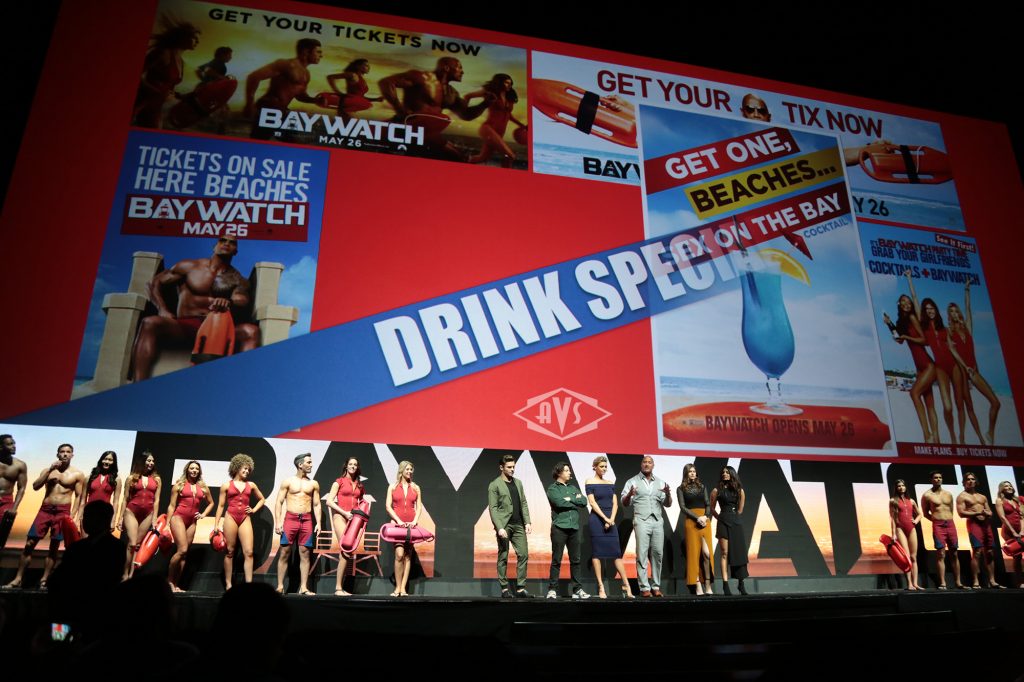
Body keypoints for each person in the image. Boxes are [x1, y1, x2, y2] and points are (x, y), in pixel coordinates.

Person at [132, 236, 260, 381]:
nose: (227, 244)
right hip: (185, 325)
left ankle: (243, 385)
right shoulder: (189, 266)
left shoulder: (237, 278)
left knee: (251, 331)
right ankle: (138, 384)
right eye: (222, 240)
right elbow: (153, 283)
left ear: (236, 251)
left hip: (218, 328)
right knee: (150, 323)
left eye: (232, 243)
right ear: (214, 246)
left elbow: (241, 299)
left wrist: (228, 301)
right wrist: (162, 308)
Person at [4, 443, 85, 589]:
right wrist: (49, 471)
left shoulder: (77, 474)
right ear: (57, 454)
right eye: (62, 451)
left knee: (54, 546)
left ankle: (44, 579)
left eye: (68, 452)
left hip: (63, 511)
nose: (65, 454)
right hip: (45, 510)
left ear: (72, 455)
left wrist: (72, 515)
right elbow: (35, 486)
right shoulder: (48, 471)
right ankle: (18, 578)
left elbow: (79, 497)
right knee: (29, 544)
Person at [378, 57, 490, 161]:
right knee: (458, 157)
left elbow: (466, 115)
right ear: (446, 68)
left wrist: (485, 103)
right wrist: (399, 109)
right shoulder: (421, 77)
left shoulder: (451, 93)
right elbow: (386, 82)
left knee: (459, 157)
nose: (462, 72)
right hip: (406, 128)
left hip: (426, 133)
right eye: (459, 67)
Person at [906, 270, 962, 442]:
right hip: (938, 367)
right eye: (927, 309)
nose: (930, 311)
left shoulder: (944, 328)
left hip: (953, 364)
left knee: (959, 402)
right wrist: (909, 279)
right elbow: (915, 299)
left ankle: (955, 439)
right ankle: (949, 434)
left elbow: (954, 345)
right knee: (947, 406)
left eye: (932, 308)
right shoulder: (924, 327)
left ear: (936, 310)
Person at [884, 283, 939, 443]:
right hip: (919, 367)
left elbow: (924, 340)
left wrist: (907, 337)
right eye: (904, 302)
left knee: (914, 394)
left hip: (928, 365)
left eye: (909, 302)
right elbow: (899, 340)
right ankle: (936, 440)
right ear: (899, 305)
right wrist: (889, 324)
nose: (907, 304)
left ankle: (927, 435)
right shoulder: (902, 321)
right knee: (929, 403)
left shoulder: (913, 318)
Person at [947, 280, 1001, 445]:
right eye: (951, 312)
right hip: (964, 371)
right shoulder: (949, 332)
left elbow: (968, 308)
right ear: (949, 315)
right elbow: (953, 351)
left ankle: (990, 432)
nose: (955, 314)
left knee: (996, 403)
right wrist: (965, 367)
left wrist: (967, 290)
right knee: (965, 405)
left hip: (974, 371)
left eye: (956, 311)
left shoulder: (968, 328)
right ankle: (966, 437)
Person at [244, 38, 323, 138]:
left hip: (282, 112)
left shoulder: (306, 73)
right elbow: (254, 77)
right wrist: (249, 104)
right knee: (259, 141)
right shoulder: (285, 64)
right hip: (269, 109)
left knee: (294, 141)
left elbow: (300, 95)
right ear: (306, 51)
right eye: (318, 52)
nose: (321, 55)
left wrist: (315, 100)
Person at [132, 16, 200, 128]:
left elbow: (168, 87)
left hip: (158, 107)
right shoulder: (163, 53)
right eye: (194, 38)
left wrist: (179, 95)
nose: (197, 41)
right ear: (183, 37)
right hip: (144, 103)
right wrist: (153, 90)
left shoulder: (181, 61)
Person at [213, 453, 266, 589]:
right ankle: (229, 584)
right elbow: (220, 506)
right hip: (230, 517)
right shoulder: (226, 485)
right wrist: (216, 524)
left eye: (249, 469)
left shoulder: (251, 485)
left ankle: (249, 585)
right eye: (245, 468)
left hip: (245, 518)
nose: (247, 471)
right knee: (230, 551)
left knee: (248, 552)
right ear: (236, 467)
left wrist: (253, 510)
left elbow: (262, 499)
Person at [621, 455, 671, 597]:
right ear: (641, 465)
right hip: (641, 520)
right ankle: (644, 587)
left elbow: (668, 504)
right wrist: (629, 495)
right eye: (645, 462)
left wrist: (668, 495)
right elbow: (624, 502)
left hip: (657, 521)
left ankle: (655, 586)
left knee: (658, 554)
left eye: (649, 462)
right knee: (642, 554)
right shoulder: (632, 481)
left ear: (653, 465)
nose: (647, 464)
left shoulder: (661, 482)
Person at [587, 456, 633, 599]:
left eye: (606, 467)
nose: (604, 469)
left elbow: (615, 504)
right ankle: (601, 587)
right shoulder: (589, 481)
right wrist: (605, 519)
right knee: (597, 554)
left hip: (610, 520)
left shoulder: (609, 483)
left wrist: (611, 519)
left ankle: (626, 585)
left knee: (616, 554)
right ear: (595, 467)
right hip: (597, 519)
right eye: (601, 466)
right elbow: (592, 503)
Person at [274, 453, 320, 595]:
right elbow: (279, 502)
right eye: (308, 462)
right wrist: (278, 522)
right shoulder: (288, 482)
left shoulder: (313, 483)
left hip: (307, 520)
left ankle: (304, 587)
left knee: (305, 553)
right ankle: (280, 586)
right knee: (285, 552)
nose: (311, 465)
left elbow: (317, 504)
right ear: (300, 465)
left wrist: (318, 522)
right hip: (290, 519)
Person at [487, 454, 532, 598]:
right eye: (509, 467)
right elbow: (493, 508)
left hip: (518, 524)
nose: (512, 469)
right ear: (501, 467)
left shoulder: (518, 483)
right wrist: (499, 527)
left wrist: (527, 522)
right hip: (504, 525)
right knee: (503, 555)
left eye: (513, 467)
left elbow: (523, 502)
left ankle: (520, 588)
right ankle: (504, 588)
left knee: (523, 554)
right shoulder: (494, 485)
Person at [166, 460, 214, 592]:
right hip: (178, 518)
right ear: (187, 470)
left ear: (199, 471)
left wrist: (203, 514)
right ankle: (169, 582)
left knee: (184, 554)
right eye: (192, 468)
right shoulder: (179, 485)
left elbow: (211, 503)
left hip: (192, 521)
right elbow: (171, 506)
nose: (194, 471)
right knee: (182, 550)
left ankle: (176, 585)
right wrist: (167, 524)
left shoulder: (203, 487)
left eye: (196, 469)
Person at [545, 462, 589, 599]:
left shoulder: (573, 487)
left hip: (574, 527)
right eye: (567, 470)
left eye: (569, 470)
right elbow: (559, 503)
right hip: (559, 527)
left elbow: (584, 501)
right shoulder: (553, 488)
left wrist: (570, 498)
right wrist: (574, 500)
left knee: (576, 560)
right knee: (556, 560)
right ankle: (552, 589)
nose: (570, 473)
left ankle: (577, 590)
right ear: (559, 473)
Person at [464, 73, 526, 167]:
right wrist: (466, 113)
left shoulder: (509, 96)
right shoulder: (490, 92)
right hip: (488, 129)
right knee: (510, 156)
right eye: (506, 83)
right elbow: (468, 96)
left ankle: (462, 163)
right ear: (499, 82)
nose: (509, 85)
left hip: (500, 132)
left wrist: (522, 125)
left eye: (510, 83)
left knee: (482, 158)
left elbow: (508, 115)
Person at [326, 456, 365, 596]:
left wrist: (361, 517)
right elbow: (329, 501)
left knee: (347, 554)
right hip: (340, 516)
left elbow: (362, 502)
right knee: (346, 548)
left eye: (355, 464)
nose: (353, 466)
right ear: (346, 466)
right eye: (351, 464)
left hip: (353, 520)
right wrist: (344, 513)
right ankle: (338, 588)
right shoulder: (339, 482)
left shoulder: (360, 485)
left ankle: (340, 588)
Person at [957, 472, 1000, 589]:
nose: (970, 481)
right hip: (974, 524)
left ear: (976, 481)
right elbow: (961, 513)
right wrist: (977, 513)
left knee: (990, 552)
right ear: (964, 482)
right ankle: (976, 581)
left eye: (972, 479)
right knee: (977, 552)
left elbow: (990, 512)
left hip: (986, 525)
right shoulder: (962, 496)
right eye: (968, 479)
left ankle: (992, 580)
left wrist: (987, 513)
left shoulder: (982, 497)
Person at [385, 460, 422, 597]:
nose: (410, 471)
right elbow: (388, 506)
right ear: (401, 470)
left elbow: (419, 507)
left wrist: (415, 521)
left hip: (411, 525)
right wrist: (398, 520)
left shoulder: (416, 488)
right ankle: (397, 587)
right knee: (399, 554)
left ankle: (403, 589)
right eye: (407, 469)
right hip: (397, 524)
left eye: (411, 469)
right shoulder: (393, 487)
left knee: (407, 556)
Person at [920, 470, 963, 589]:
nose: (938, 479)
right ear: (931, 480)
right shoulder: (927, 495)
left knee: (954, 553)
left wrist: (947, 520)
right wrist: (936, 521)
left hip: (950, 524)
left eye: (940, 477)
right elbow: (925, 513)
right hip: (938, 525)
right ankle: (943, 582)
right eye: (935, 477)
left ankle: (958, 582)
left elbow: (951, 511)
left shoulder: (948, 494)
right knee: (941, 554)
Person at [710, 465, 748, 595]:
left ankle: (741, 584)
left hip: (736, 523)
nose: (725, 474)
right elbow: (712, 508)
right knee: (724, 553)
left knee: (739, 553)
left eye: (727, 472)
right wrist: (720, 517)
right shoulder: (716, 490)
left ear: (732, 474)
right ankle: (725, 585)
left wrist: (733, 517)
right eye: (723, 472)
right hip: (723, 522)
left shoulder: (739, 491)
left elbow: (740, 510)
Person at [679, 463, 714, 595]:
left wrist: (705, 516)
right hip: (691, 522)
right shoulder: (681, 489)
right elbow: (683, 507)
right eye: (690, 471)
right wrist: (697, 518)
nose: (692, 473)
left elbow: (708, 504)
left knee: (707, 554)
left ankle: (708, 585)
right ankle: (697, 584)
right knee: (693, 555)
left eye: (694, 471)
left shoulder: (702, 486)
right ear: (686, 474)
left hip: (705, 521)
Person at [889, 479, 923, 590]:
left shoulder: (911, 501)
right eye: (899, 486)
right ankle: (909, 584)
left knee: (913, 557)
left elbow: (920, 514)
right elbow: (892, 518)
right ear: (896, 488)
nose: (901, 487)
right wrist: (893, 533)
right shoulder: (893, 501)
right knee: (907, 558)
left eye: (903, 485)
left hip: (911, 528)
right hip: (900, 529)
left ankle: (915, 583)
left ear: (905, 487)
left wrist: (916, 521)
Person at [76, 451, 121, 532]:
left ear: (114, 462)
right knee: (86, 539)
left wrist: (113, 520)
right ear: (101, 460)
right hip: (88, 513)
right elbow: (83, 500)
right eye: (105, 459)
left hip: (105, 515)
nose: (107, 462)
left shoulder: (116, 479)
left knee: (99, 540)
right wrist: (78, 518)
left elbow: (116, 502)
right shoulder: (89, 478)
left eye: (110, 460)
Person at [325, 58, 382, 122]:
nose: (368, 67)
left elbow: (359, 97)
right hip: (346, 107)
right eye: (366, 65)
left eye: (368, 66)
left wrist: (375, 99)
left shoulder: (361, 79)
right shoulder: (352, 75)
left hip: (352, 108)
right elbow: (330, 77)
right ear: (357, 66)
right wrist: (337, 92)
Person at [0, 434, 28, 549]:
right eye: (9, 444)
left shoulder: (20, 465)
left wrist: (14, 508)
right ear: (1, 447)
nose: (14, 446)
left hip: (6, 502)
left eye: (14, 443)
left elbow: (21, 488)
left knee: (1, 536)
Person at [994, 481, 1022, 587]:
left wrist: (1022, 531)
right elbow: (1002, 517)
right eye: (1006, 486)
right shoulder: (999, 500)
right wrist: (1014, 532)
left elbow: (1022, 516)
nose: (1009, 487)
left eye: (1010, 485)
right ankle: (1020, 582)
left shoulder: (1017, 500)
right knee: (1017, 556)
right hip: (1009, 531)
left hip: (1021, 530)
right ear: (1002, 489)